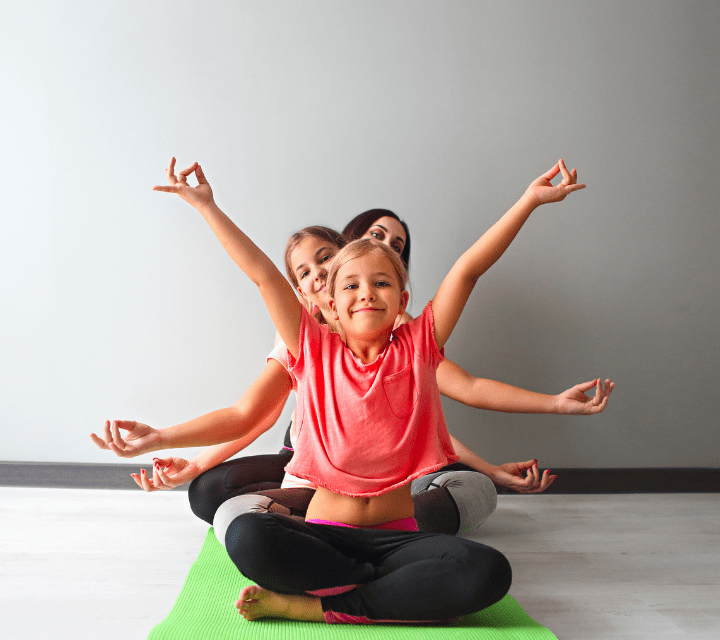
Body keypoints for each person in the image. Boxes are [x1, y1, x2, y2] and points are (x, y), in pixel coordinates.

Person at [132, 157, 608, 624]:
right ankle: (377, 595)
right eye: (352, 285)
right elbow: (261, 274)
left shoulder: (418, 346)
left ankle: (322, 604)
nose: (366, 293)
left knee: (488, 571)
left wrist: (527, 201)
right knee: (247, 535)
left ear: (401, 301)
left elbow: (467, 270)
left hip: (398, 538)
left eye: (381, 283)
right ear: (331, 307)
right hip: (324, 536)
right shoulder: (312, 350)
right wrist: (206, 206)